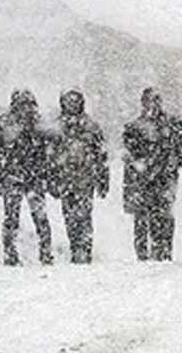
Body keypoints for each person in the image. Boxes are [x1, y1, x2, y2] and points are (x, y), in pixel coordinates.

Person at [0, 89, 54, 266]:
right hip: (17, 176)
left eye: (28, 104)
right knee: (17, 218)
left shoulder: (35, 123)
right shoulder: (6, 123)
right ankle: (15, 253)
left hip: (28, 176)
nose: (26, 108)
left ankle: (42, 253)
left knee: (34, 217)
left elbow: (50, 151)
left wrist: (47, 173)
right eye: (22, 104)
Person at [123, 87, 182, 262]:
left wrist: (174, 161)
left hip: (163, 177)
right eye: (149, 101)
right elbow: (129, 153)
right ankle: (143, 253)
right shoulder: (134, 127)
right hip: (143, 178)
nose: (152, 105)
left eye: (155, 101)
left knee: (163, 215)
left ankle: (163, 250)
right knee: (142, 217)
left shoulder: (172, 124)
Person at [49, 89, 109, 264]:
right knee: (69, 217)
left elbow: (101, 155)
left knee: (84, 215)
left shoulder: (91, 126)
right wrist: (51, 179)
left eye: (75, 101)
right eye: (69, 101)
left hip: (85, 180)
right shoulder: (57, 127)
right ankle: (75, 247)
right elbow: (50, 156)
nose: (72, 105)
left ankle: (85, 249)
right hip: (65, 179)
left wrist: (103, 180)